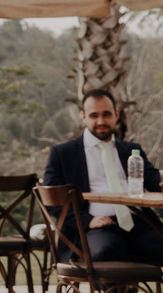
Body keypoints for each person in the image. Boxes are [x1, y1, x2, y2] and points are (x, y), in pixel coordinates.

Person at [43, 88, 163, 265]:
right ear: (83, 117)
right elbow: (52, 199)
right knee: (106, 251)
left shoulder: (131, 150)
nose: (101, 121)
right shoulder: (62, 153)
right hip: (94, 229)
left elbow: (153, 180)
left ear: (116, 114)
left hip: (138, 223)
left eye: (106, 114)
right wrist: (87, 221)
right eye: (94, 115)